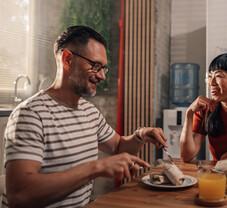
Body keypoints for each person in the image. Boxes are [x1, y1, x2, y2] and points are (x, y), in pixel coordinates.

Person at [4, 26, 168, 208]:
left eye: (104, 68)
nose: (102, 76)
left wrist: (140, 135)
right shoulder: (30, 115)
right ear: (67, 59)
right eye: (95, 66)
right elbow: (19, 196)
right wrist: (97, 168)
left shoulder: (89, 112)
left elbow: (119, 148)